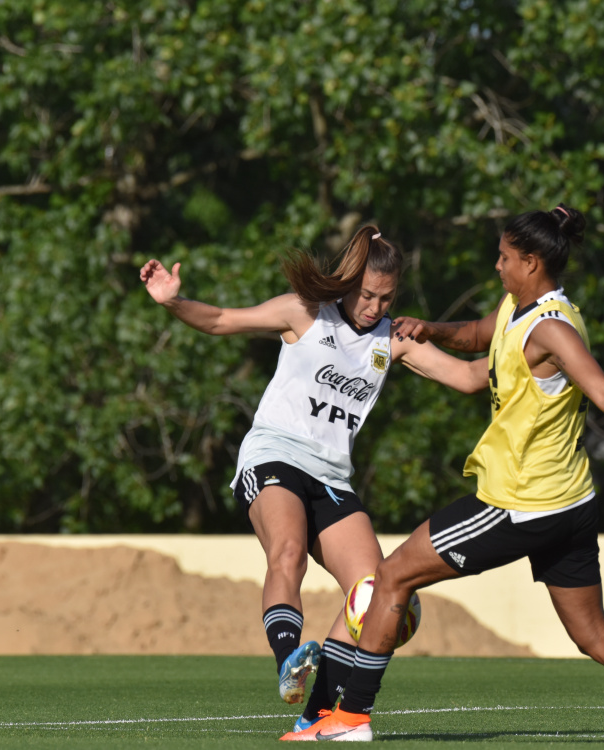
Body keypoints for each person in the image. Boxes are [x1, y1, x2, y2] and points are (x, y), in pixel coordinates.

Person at [281, 204, 604, 744]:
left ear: (532, 262)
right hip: (570, 503)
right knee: (595, 635)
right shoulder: (520, 305)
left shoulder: (552, 328)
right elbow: (477, 335)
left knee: (394, 575)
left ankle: (351, 720)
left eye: (505, 257)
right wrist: (430, 328)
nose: (497, 265)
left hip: (520, 501)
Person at [140, 226, 483, 721]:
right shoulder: (305, 311)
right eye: (367, 294)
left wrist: (531, 352)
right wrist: (173, 302)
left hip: (332, 478)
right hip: (275, 454)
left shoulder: (393, 339)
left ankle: (316, 716)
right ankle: (289, 662)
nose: (375, 307)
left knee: (376, 591)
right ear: (349, 282)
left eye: (387, 298)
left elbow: (469, 377)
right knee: (288, 552)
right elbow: (219, 320)